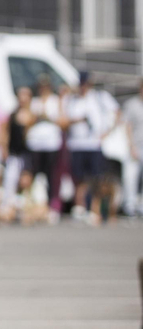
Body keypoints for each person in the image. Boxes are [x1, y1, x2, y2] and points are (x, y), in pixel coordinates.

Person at [63, 72, 118, 223]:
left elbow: (117, 112)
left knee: (97, 179)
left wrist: (107, 132)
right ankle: (80, 209)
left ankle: (96, 210)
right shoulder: (72, 100)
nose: (82, 87)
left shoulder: (100, 97)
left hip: (94, 144)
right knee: (79, 179)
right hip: (76, 145)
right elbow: (64, 120)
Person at [121, 81, 143, 217]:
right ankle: (129, 205)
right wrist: (131, 146)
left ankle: (141, 205)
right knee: (130, 176)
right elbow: (127, 126)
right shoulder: (132, 104)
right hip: (136, 145)